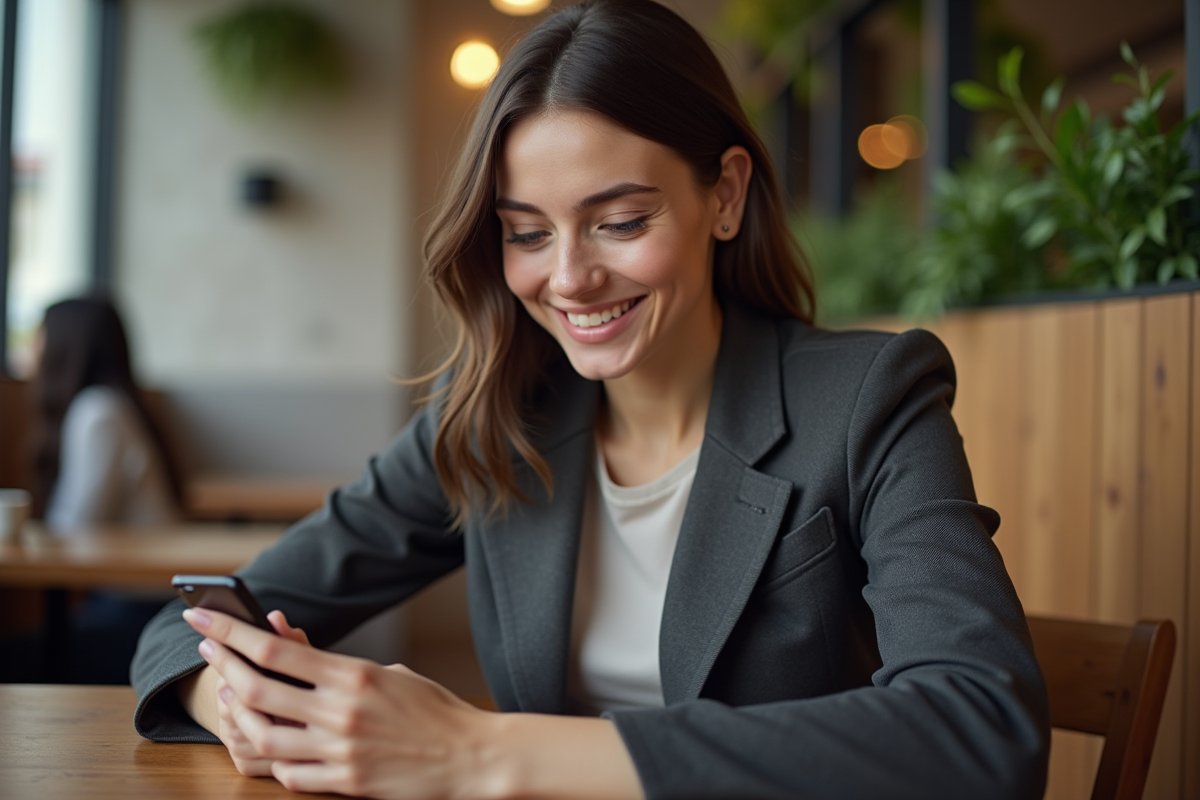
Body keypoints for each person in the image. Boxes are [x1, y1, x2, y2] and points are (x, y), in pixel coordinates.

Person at [131, 1, 1050, 797]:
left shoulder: (868, 400)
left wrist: (483, 752)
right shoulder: (496, 413)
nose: (569, 279)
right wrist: (239, 707)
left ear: (723, 197)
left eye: (621, 222)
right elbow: (191, 625)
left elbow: (980, 731)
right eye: (527, 233)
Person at [22, 295, 184, 683]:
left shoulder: (98, 413)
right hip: (134, 603)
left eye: (38, 334)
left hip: (140, 611)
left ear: (64, 342)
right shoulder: (110, 405)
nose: (32, 346)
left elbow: (77, 524)